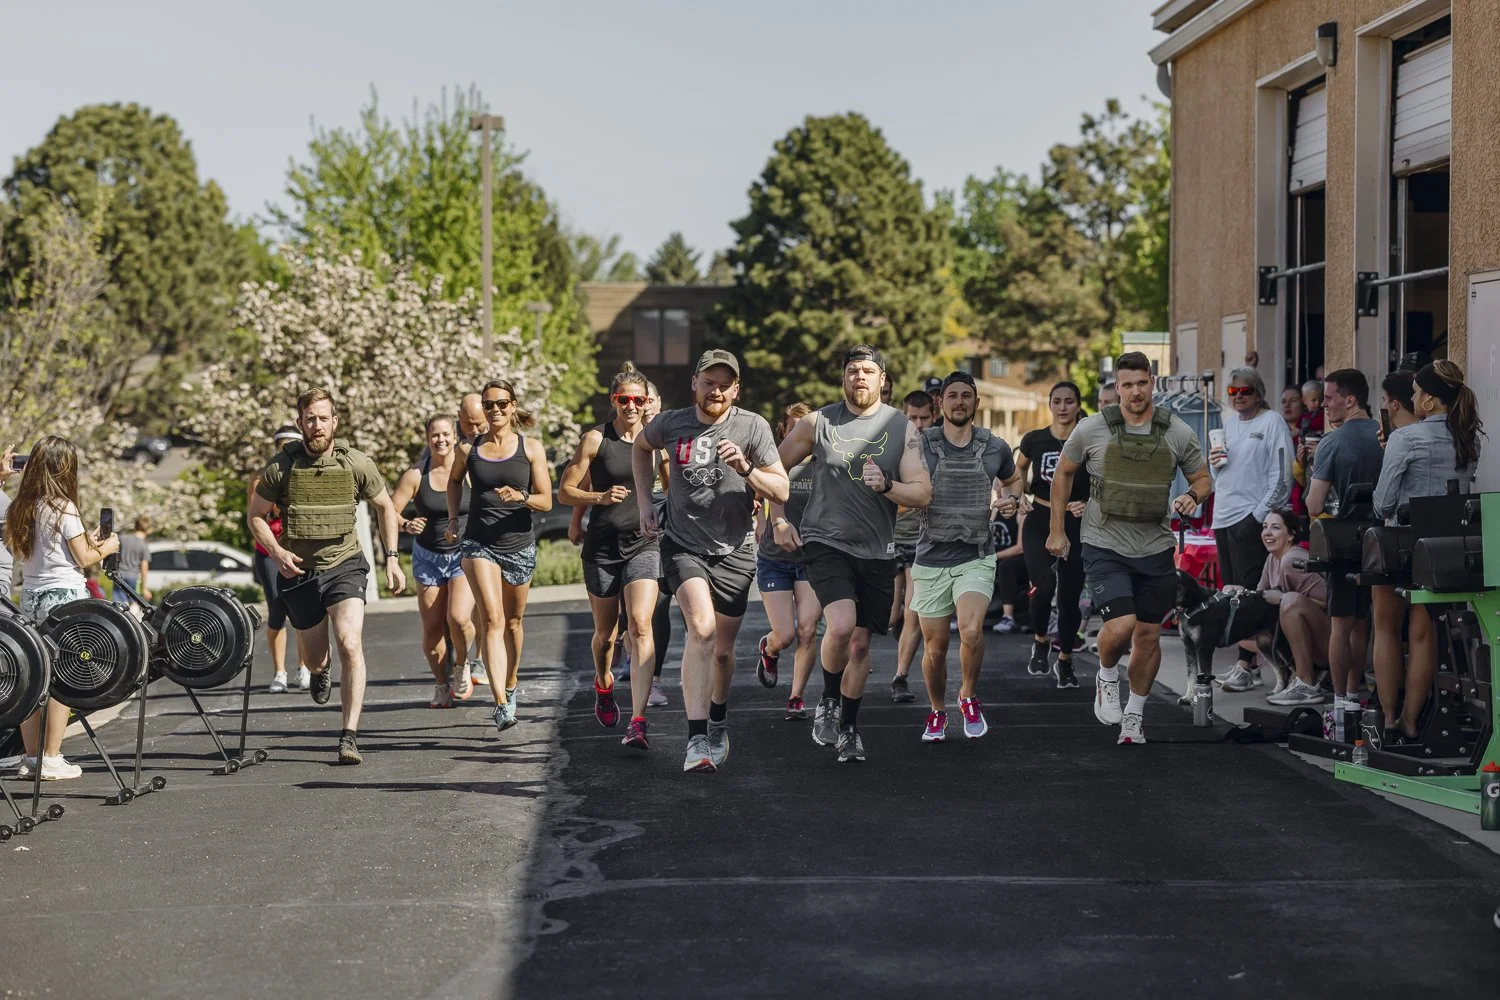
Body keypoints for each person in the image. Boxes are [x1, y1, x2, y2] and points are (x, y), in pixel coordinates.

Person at [634, 349, 787, 774]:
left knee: (721, 650)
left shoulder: (752, 426)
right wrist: (647, 503)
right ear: (695, 385)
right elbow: (640, 448)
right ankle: (696, 739)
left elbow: (782, 490)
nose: (716, 390)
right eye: (709, 382)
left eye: (725, 383)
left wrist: (747, 469)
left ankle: (717, 717)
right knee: (700, 630)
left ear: (735, 389)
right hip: (683, 545)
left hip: (735, 551)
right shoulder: (671, 423)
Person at [1050, 352, 1213, 745]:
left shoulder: (1175, 431)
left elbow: (1204, 478)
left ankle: (1134, 716)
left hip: (1155, 546)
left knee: (1148, 636)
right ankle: (1106, 675)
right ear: (1116, 388)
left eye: (1142, 383)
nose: (1135, 391)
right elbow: (1063, 473)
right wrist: (1057, 530)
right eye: (1127, 385)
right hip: (1104, 542)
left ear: (1152, 382)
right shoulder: (1091, 428)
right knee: (1121, 626)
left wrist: (1192, 495)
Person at [778, 346, 930, 763]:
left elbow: (921, 493)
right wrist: (777, 519)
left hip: (878, 550)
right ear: (843, 378)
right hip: (826, 542)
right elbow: (776, 471)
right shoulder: (818, 422)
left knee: (861, 646)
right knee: (841, 626)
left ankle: (849, 728)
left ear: (883, 379)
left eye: (867, 371)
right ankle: (827, 700)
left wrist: (887, 487)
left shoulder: (903, 428)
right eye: (851, 371)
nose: (859, 377)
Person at [249, 388, 406, 765]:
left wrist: (393, 559)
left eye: (323, 418)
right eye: (309, 419)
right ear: (300, 423)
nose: (316, 425)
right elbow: (256, 515)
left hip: (345, 564)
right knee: (316, 659)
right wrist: (278, 551)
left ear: (334, 421)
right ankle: (322, 671)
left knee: (350, 641)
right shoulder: (281, 466)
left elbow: (386, 507)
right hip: (299, 571)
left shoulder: (355, 463)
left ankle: (348, 735)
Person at [1372, 361, 1482, 741]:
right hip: (1445, 549)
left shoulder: (1405, 438)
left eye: (1418, 392)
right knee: (1423, 636)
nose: (1413, 397)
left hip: (1402, 543)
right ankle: (1412, 719)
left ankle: (1387, 718)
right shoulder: (1469, 439)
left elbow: (1384, 504)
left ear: (1431, 400)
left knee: (1385, 628)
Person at [909, 371, 1021, 742]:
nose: (959, 401)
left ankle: (969, 696)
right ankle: (938, 710)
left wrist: (1012, 500)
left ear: (976, 402)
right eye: (952, 395)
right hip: (930, 557)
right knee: (935, 650)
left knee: (972, 630)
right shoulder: (920, 444)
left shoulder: (994, 446)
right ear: (941, 402)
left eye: (966, 396)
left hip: (976, 554)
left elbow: (1014, 479)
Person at [560, 363, 665, 747]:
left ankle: (637, 720)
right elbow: (565, 491)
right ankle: (604, 682)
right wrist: (597, 498)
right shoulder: (595, 439)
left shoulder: (656, 439)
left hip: (643, 544)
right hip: (602, 546)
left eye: (639, 399)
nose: (632, 406)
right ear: (614, 401)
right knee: (607, 634)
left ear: (647, 402)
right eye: (625, 399)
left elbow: (672, 487)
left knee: (640, 624)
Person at [5, 436, 121, 780]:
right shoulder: (63, 507)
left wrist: (89, 541)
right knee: (62, 679)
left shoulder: (20, 508)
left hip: (32, 596)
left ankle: (31, 758)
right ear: (64, 468)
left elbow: (33, 554)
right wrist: (107, 545)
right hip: (65, 598)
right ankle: (53, 756)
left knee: (34, 676)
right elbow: (83, 559)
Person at [447, 379, 553, 734]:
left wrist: (520, 497)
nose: (495, 411)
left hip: (519, 543)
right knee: (492, 619)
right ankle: (501, 703)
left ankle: (510, 682)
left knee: (513, 623)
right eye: (489, 405)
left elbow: (546, 501)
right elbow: (454, 482)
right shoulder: (468, 449)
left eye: (501, 404)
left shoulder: (531, 448)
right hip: (479, 542)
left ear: (512, 406)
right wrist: (452, 518)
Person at [1207, 367, 1293, 692]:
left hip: (1250, 517)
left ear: (1258, 393)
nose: (1239, 396)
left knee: (1248, 595)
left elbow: (1282, 473)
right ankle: (1249, 664)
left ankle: (1248, 664)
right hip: (1223, 515)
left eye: (1245, 391)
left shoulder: (1271, 422)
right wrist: (1215, 466)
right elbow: (1223, 477)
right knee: (1232, 594)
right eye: (1233, 392)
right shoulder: (1227, 426)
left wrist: (1258, 517)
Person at [1305, 369, 1384, 709]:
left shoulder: (1331, 442)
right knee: (1366, 620)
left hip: (1346, 538)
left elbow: (1314, 504)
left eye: (1329, 398)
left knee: (1342, 624)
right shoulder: (1387, 435)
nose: (1323, 405)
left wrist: (1314, 468)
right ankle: (1356, 691)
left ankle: (1340, 702)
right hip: (1383, 538)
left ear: (1350, 400)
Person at [391, 415, 476, 709]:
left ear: (455, 436)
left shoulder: (469, 468)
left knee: (460, 618)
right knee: (432, 629)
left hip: (464, 554)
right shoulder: (416, 475)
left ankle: (462, 665)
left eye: (445, 434)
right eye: (434, 435)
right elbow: (389, 513)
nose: (440, 440)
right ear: (428, 440)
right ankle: (441, 685)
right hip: (428, 557)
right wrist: (405, 524)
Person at [1013, 381, 1091, 687]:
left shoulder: (1088, 442)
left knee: (1070, 597)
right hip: (1040, 517)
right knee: (1043, 587)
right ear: (1049, 405)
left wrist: (1090, 501)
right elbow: (1016, 469)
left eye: (1069, 401)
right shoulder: (1034, 439)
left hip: (1076, 520)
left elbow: (1101, 478)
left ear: (1077, 405)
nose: (1062, 407)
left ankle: (1066, 659)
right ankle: (1041, 639)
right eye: (1056, 401)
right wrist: (1019, 494)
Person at [754, 403, 822, 720]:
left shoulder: (825, 464)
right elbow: (759, 497)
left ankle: (796, 697)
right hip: (775, 558)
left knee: (808, 630)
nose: (799, 433)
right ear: (784, 431)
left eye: (804, 426)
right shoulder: (774, 464)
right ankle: (768, 649)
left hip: (811, 559)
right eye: (793, 427)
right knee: (786, 635)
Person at [1240, 510, 1331, 706]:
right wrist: (1237, 592)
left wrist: (1282, 598)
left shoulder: (1292, 560)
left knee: (1289, 602)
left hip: (1330, 642)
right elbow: (1260, 599)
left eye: (1275, 527)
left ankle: (1306, 683)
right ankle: (1297, 677)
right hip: (1309, 640)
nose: (1267, 532)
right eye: (1264, 527)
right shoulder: (1272, 559)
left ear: (1291, 535)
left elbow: (1329, 604)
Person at [251, 426, 311, 694]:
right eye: (282, 445)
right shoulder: (261, 479)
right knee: (277, 610)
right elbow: (255, 518)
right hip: (268, 551)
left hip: (298, 548)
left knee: (301, 610)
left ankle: (304, 668)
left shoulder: (308, 476)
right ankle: (279, 672)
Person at [889, 389, 935, 702]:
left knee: (913, 611)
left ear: (934, 417)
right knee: (891, 614)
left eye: (924, 418)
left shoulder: (939, 449)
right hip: (890, 539)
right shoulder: (890, 446)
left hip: (923, 541)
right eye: (912, 418)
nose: (918, 424)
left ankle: (900, 677)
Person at [111, 514, 152, 604]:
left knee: (118, 603)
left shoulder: (123, 538)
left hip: (119, 575)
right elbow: (144, 569)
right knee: (133, 603)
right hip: (133, 577)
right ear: (148, 530)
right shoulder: (144, 545)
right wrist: (144, 588)